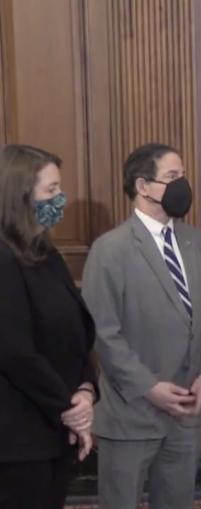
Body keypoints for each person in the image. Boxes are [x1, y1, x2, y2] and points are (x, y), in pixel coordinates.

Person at [82, 143, 201, 509]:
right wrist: (149, 388)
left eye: (184, 176)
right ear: (143, 186)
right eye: (173, 177)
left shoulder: (196, 243)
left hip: (187, 410)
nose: (183, 185)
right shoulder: (110, 248)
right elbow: (105, 333)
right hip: (131, 413)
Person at [0, 145, 97, 508]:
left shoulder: (45, 251)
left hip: (53, 430)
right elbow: (14, 351)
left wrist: (86, 390)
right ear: (20, 195)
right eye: (51, 190)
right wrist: (68, 407)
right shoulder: (3, 257)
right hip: (17, 440)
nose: (62, 198)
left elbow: (77, 331)